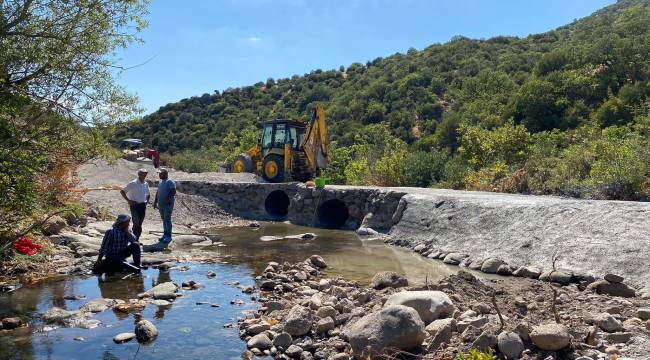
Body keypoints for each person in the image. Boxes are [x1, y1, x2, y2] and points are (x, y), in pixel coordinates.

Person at [120, 168, 150, 240]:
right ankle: (134, 239)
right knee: (136, 223)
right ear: (139, 174)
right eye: (142, 173)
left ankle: (136, 239)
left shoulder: (145, 184)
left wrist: (146, 202)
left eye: (145, 173)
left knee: (140, 223)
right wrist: (128, 200)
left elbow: (148, 194)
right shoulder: (133, 183)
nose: (144, 175)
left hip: (142, 205)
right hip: (134, 205)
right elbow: (122, 191)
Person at [154, 168, 176, 243]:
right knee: (164, 219)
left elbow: (173, 191)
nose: (159, 175)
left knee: (167, 219)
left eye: (161, 173)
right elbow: (158, 191)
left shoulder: (169, 181)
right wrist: (155, 201)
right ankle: (165, 234)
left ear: (166, 174)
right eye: (159, 173)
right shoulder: (161, 182)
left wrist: (168, 199)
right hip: (161, 204)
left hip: (167, 204)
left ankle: (169, 236)